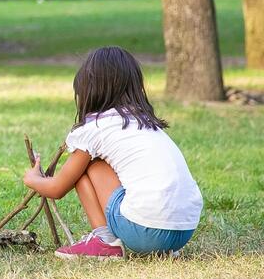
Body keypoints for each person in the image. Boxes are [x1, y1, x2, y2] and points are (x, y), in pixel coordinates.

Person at [22, 46, 203, 259]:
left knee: (87, 165)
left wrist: (32, 179)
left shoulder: (95, 129)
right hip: (183, 231)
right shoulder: (147, 124)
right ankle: (157, 247)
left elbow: (57, 188)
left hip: (144, 232)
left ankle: (105, 242)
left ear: (88, 89)